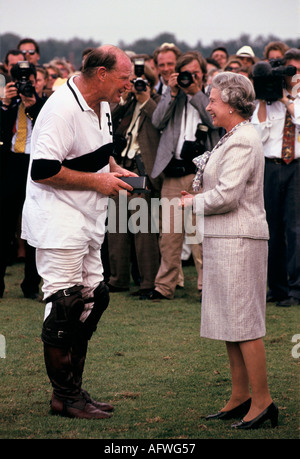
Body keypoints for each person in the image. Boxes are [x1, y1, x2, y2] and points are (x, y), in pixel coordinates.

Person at [21, 45, 136, 419]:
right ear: (101, 74)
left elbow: (96, 153)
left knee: (92, 300)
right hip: (58, 220)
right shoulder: (61, 108)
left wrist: (112, 169)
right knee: (65, 305)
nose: (128, 85)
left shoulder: (102, 104)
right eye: (124, 78)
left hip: (87, 217)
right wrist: (97, 182)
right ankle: (64, 398)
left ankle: (74, 393)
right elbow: (43, 169)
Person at [181, 72, 278, 430]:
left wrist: (191, 204)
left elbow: (227, 195)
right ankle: (240, 396)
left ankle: (263, 401)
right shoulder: (232, 137)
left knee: (245, 324)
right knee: (230, 324)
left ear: (234, 104)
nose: (208, 106)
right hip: (225, 239)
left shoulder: (243, 139)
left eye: (213, 100)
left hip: (240, 240)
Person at [148, 51, 220, 300]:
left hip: (202, 173)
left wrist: (196, 93)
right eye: (186, 73)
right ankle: (164, 287)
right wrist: (174, 93)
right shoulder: (172, 93)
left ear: (202, 73)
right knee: (169, 234)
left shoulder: (212, 94)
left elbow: (214, 123)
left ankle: (206, 287)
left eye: (195, 72)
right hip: (174, 171)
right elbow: (157, 122)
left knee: (202, 233)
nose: (190, 77)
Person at [107, 59, 162, 298]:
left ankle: (148, 282)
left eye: (142, 82)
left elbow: (160, 121)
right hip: (122, 167)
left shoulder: (158, 103)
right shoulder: (128, 103)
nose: (138, 86)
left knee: (143, 229)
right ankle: (118, 279)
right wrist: (128, 98)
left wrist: (146, 100)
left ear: (151, 84)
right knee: (117, 226)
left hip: (143, 170)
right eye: (133, 82)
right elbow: (110, 117)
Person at [251, 48, 300, 307]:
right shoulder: (268, 97)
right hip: (270, 166)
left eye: (295, 71)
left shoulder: (294, 98)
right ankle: (277, 288)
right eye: (288, 71)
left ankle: (296, 289)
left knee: (295, 229)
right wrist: (262, 99)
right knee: (272, 229)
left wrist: (285, 99)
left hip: (296, 167)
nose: (292, 76)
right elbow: (259, 136)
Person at [0, 61, 44, 299]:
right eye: (20, 81)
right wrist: (5, 104)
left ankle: (31, 285)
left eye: (30, 81)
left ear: (38, 82)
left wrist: (33, 105)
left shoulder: (45, 104)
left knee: (34, 226)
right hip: (11, 165)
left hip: (34, 165)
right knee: (4, 227)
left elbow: (46, 128)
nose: (25, 85)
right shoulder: (6, 103)